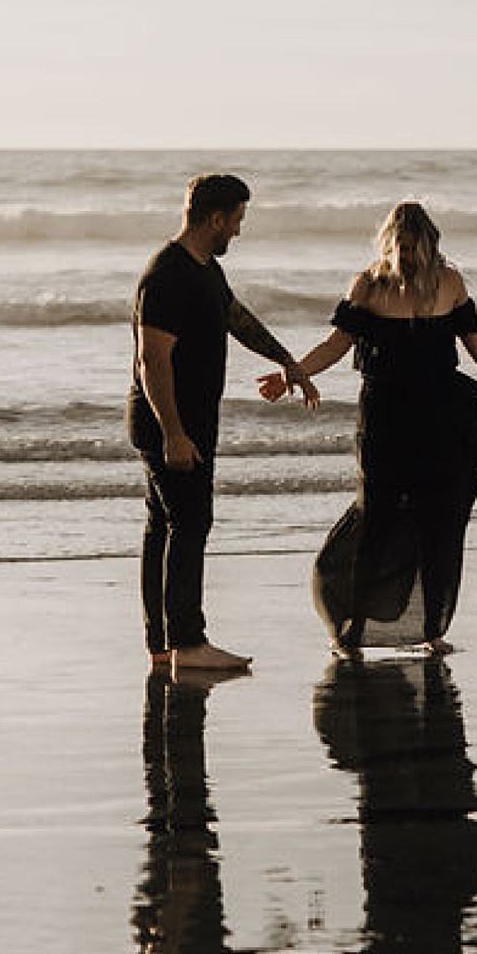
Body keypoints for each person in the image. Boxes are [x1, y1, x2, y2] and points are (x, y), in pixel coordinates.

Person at [271, 202, 477, 654]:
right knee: (377, 519)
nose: (404, 254)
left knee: (436, 521)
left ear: (428, 246)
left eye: (412, 246)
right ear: (387, 244)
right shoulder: (367, 285)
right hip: (384, 418)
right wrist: (295, 373)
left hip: (438, 415)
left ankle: (432, 630)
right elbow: (336, 344)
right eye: (398, 245)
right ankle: (354, 630)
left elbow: (474, 340)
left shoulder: (450, 283)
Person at [128, 173, 319, 676]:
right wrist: (172, 431)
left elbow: (236, 317)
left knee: (164, 526)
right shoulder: (167, 273)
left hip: (185, 422)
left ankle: (164, 646)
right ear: (216, 219)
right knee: (190, 523)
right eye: (236, 221)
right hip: (169, 422)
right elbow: (152, 360)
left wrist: (288, 361)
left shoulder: (205, 269)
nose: (238, 231)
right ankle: (188, 643)